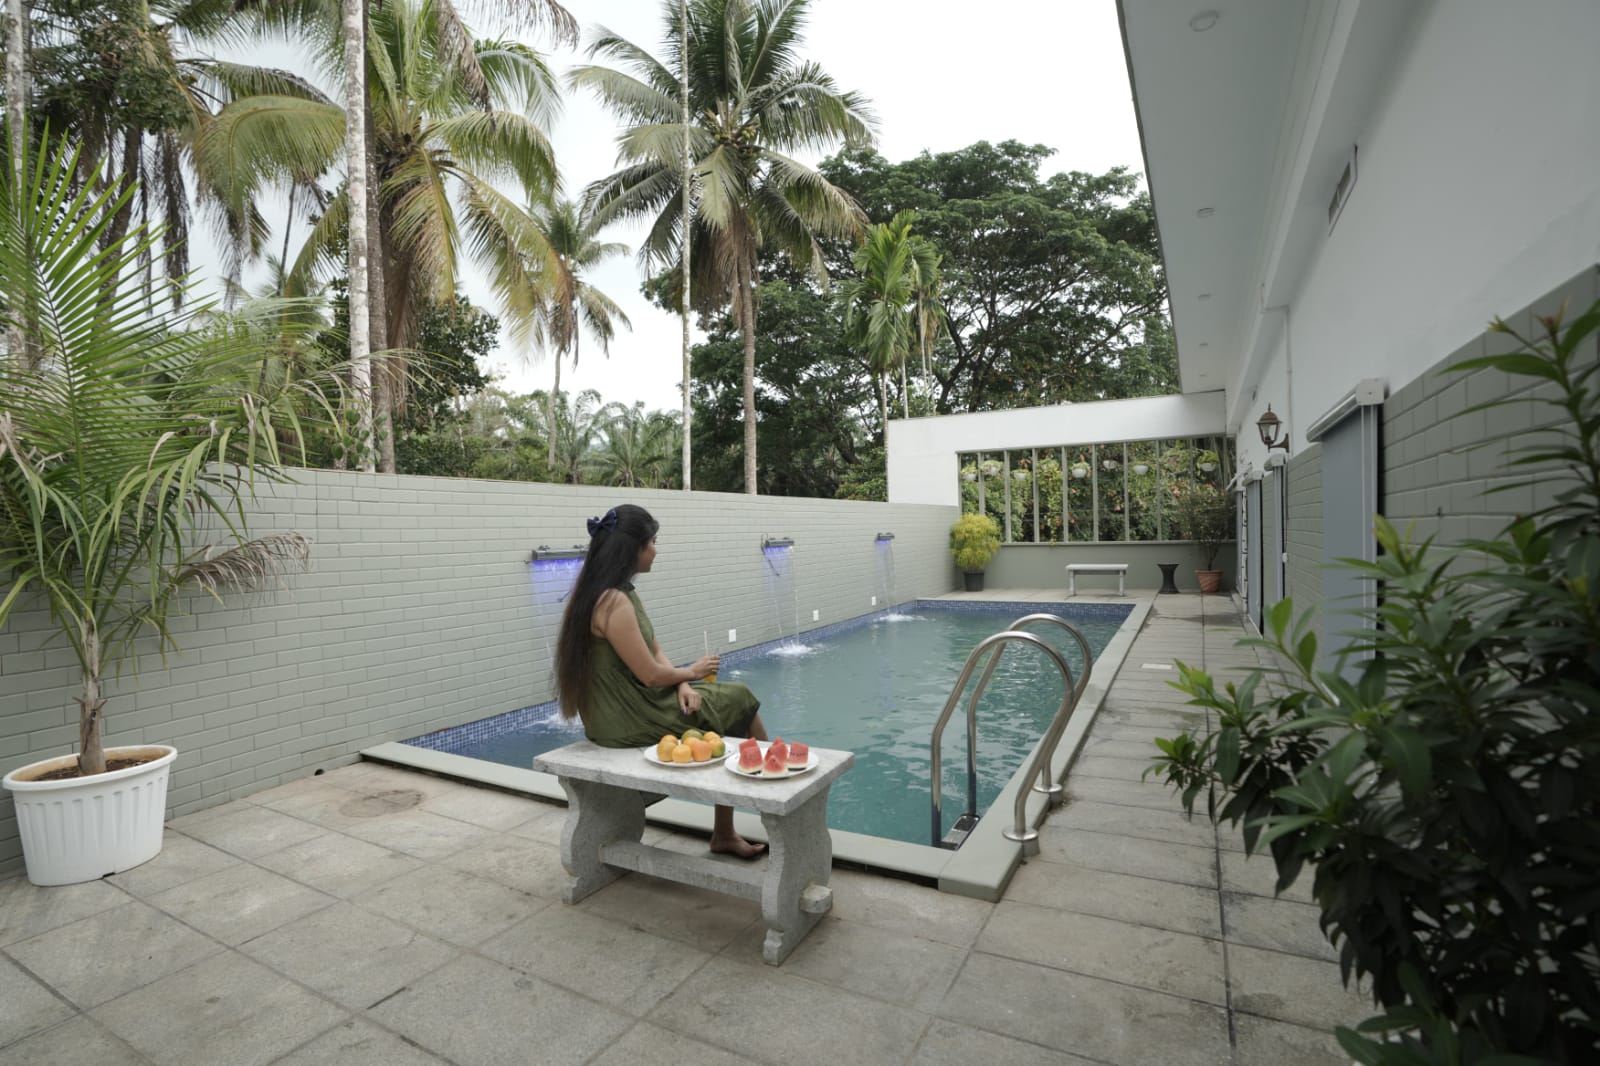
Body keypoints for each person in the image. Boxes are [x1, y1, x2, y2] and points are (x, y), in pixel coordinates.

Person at [555, 504, 769, 859]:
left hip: (629, 706)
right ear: (633, 549)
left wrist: (682, 685)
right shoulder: (612, 603)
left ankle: (727, 832)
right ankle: (774, 803)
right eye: (652, 542)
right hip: (625, 718)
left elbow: (655, 650)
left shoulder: (616, 593)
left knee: (727, 703)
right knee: (740, 698)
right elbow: (651, 675)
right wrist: (694, 672)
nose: (656, 550)